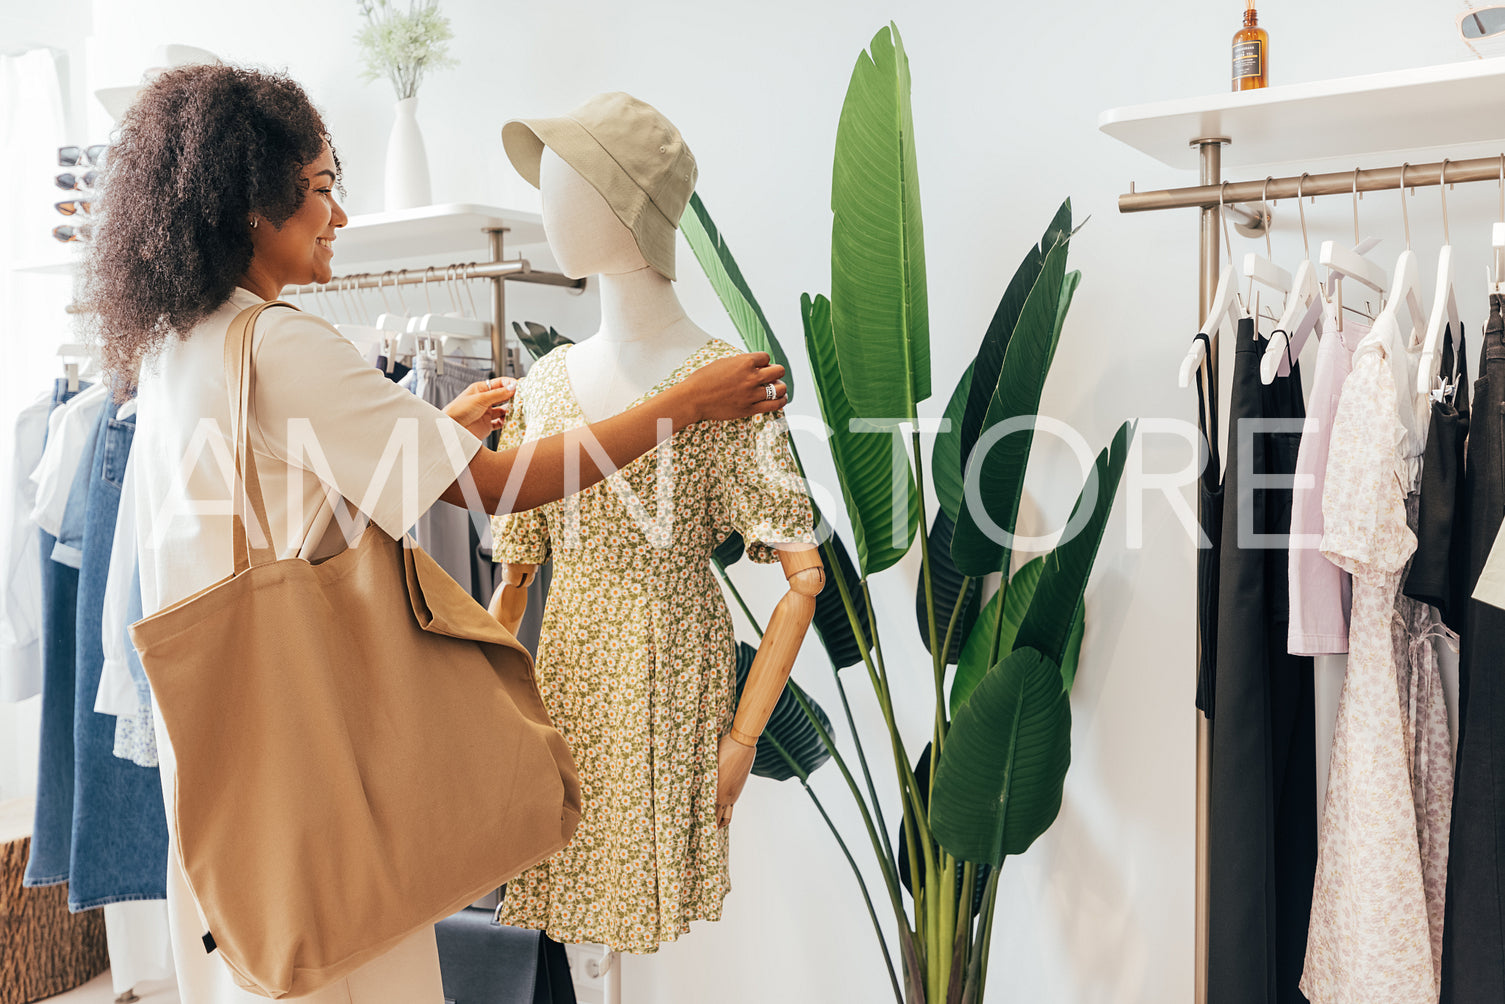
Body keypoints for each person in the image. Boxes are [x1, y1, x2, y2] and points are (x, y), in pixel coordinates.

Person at [79, 62, 787, 1003]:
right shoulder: (281, 344)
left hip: (227, 730)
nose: (338, 215)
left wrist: (430, 437)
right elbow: (498, 491)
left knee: (258, 954)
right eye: (323, 189)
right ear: (252, 205)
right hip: (310, 732)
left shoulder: (182, 347)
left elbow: (278, 504)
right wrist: (681, 407)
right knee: (350, 954)